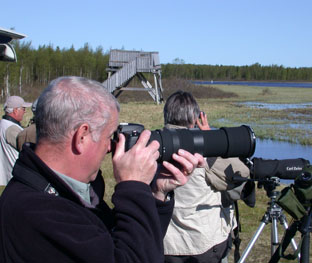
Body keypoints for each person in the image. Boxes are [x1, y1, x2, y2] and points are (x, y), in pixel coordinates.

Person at [0, 77, 204, 263]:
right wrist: (133, 186)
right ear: (82, 136)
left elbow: (125, 242)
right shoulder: (37, 213)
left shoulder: (58, 191)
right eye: (109, 137)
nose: (110, 147)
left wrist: (155, 194)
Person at [163, 90, 250, 263]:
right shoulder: (204, 153)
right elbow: (242, 173)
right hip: (204, 246)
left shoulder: (156, 144)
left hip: (165, 244)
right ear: (195, 118)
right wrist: (211, 138)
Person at [0, 95, 32, 185]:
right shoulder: (11, 129)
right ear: (15, 110)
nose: (25, 111)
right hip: (14, 177)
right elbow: (27, 150)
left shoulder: (3, 124)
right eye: (23, 108)